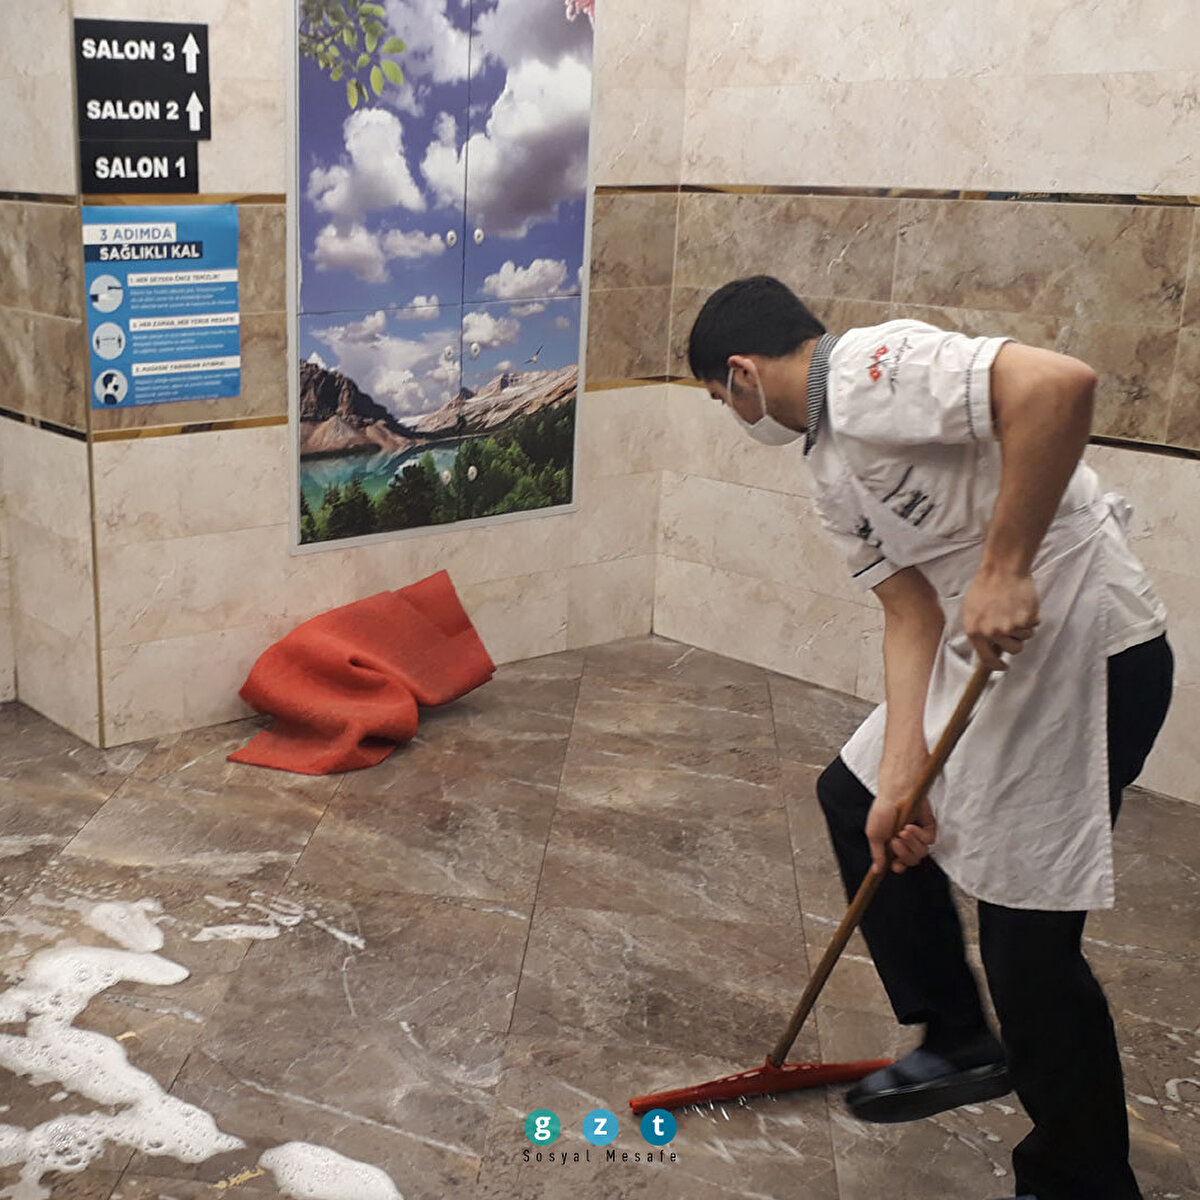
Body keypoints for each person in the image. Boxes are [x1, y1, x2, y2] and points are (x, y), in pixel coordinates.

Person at [687, 276, 1174, 1200]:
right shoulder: (828, 467)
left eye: (720, 397)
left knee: (1028, 946)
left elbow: (1058, 386)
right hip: (978, 655)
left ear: (743, 373)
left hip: (1087, 652)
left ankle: (1081, 1182)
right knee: (856, 799)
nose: (732, 413)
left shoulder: (876, 366)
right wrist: (902, 776)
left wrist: (1005, 566)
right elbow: (908, 613)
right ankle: (957, 1036)